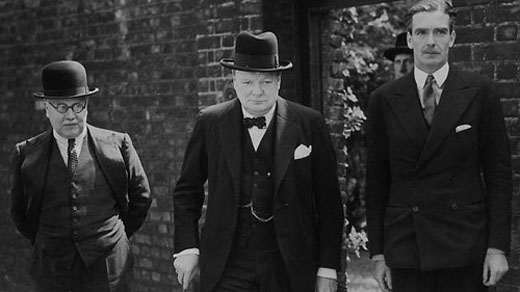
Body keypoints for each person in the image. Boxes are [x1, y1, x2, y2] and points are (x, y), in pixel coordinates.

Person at [172, 31, 344, 292]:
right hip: (227, 262)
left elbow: (329, 202)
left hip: (289, 263)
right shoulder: (210, 121)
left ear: (278, 81)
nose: (256, 92)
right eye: (247, 82)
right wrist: (187, 247)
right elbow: (187, 191)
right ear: (234, 79)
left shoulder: (309, 123)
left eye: (265, 82)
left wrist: (327, 266)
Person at [365, 1, 512, 292]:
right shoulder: (384, 99)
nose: (430, 41)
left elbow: (498, 177)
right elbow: (377, 181)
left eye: (440, 32)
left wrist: (497, 248)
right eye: (421, 32)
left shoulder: (480, 92)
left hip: (464, 245)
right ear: (409, 39)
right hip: (408, 247)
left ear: (452, 37)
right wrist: (379, 253)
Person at [10, 60, 152, 292]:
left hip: (108, 267)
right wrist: (49, 241)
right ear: (47, 108)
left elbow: (142, 198)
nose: (71, 116)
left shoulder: (117, 145)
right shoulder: (27, 153)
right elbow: (19, 213)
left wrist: (113, 237)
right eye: (61, 107)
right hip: (52, 269)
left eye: (78, 106)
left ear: (86, 107)